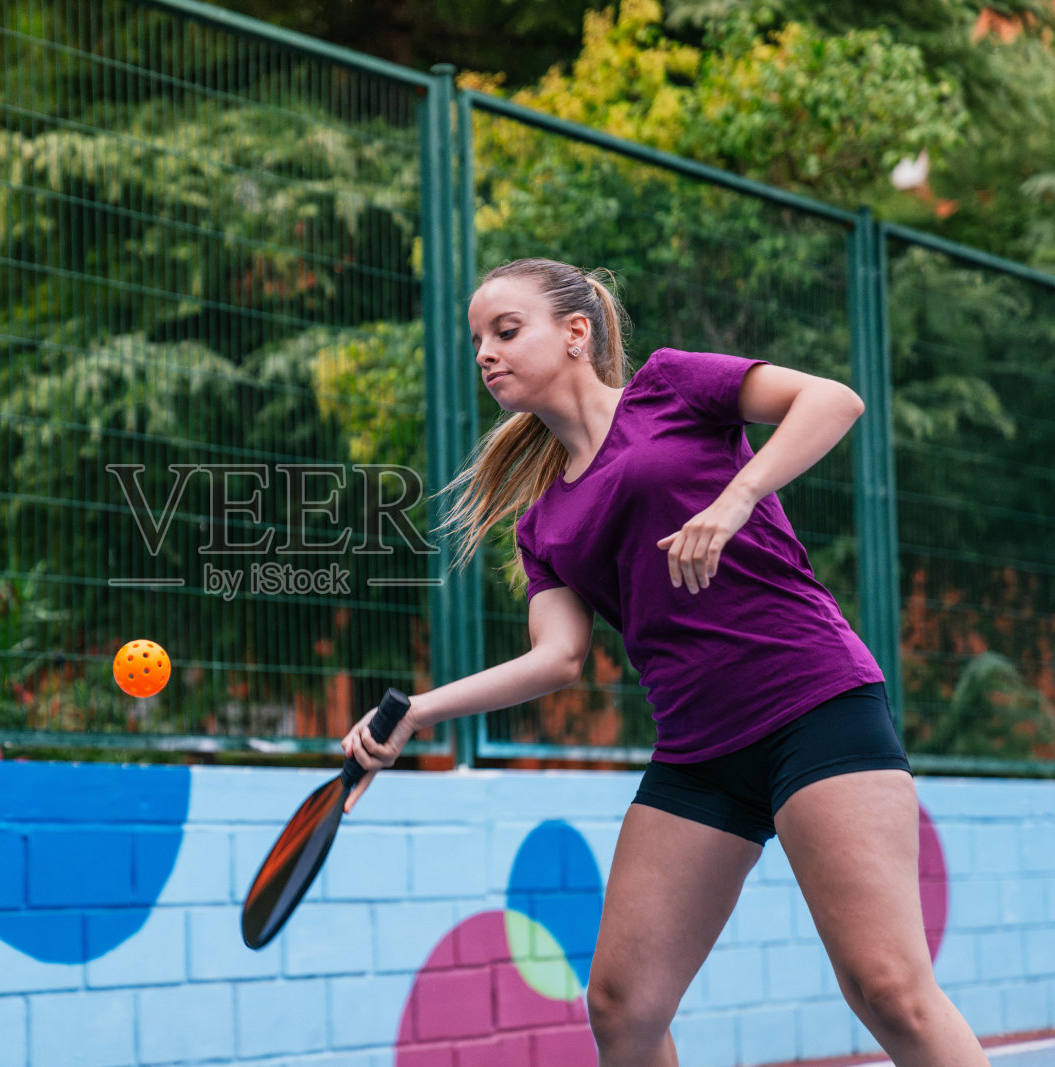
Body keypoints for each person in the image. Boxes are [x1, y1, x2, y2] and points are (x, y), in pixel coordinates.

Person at [340, 258, 988, 1065]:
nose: (485, 353)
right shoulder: (542, 523)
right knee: (621, 1005)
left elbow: (833, 400)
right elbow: (558, 657)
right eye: (478, 340)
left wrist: (736, 496)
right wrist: (413, 713)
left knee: (888, 986)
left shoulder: (673, 387)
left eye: (506, 331)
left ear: (578, 333)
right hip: (698, 752)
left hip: (812, 703)